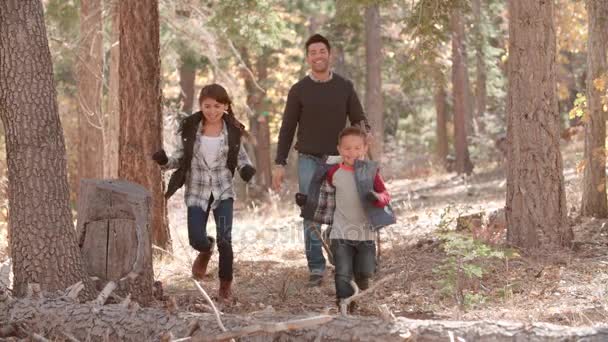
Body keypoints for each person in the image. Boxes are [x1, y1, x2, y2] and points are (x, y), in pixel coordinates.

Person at [272, 33, 371, 286]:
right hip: (308, 160)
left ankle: (338, 249)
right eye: (313, 52)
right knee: (311, 213)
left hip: (340, 160)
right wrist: (280, 163)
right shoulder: (299, 90)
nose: (318, 56)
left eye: (322, 51)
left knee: (343, 211)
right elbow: (286, 128)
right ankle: (316, 268)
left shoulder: (344, 86)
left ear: (330, 54)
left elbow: (359, 120)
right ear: (308, 58)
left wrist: (365, 151)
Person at [152, 84, 256, 301]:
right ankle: (206, 249)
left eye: (217, 106)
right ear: (200, 106)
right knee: (196, 239)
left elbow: (241, 157)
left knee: (225, 240)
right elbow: (179, 158)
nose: (212, 111)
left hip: (223, 191)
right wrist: (164, 161)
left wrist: (246, 169)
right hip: (197, 191)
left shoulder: (233, 130)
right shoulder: (191, 128)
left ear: (225, 106)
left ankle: (225, 285)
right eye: (207, 106)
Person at [298, 126, 395, 312]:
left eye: (357, 148)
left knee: (365, 272)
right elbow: (318, 192)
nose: (353, 153)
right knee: (342, 273)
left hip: (365, 233)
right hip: (340, 232)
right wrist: (306, 201)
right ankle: (344, 306)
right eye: (348, 148)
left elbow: (385, 195)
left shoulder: (370, 172)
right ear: (340, 150)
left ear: (365, 149)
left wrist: (377, 198)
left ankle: (360, 300)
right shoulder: (333, 172)